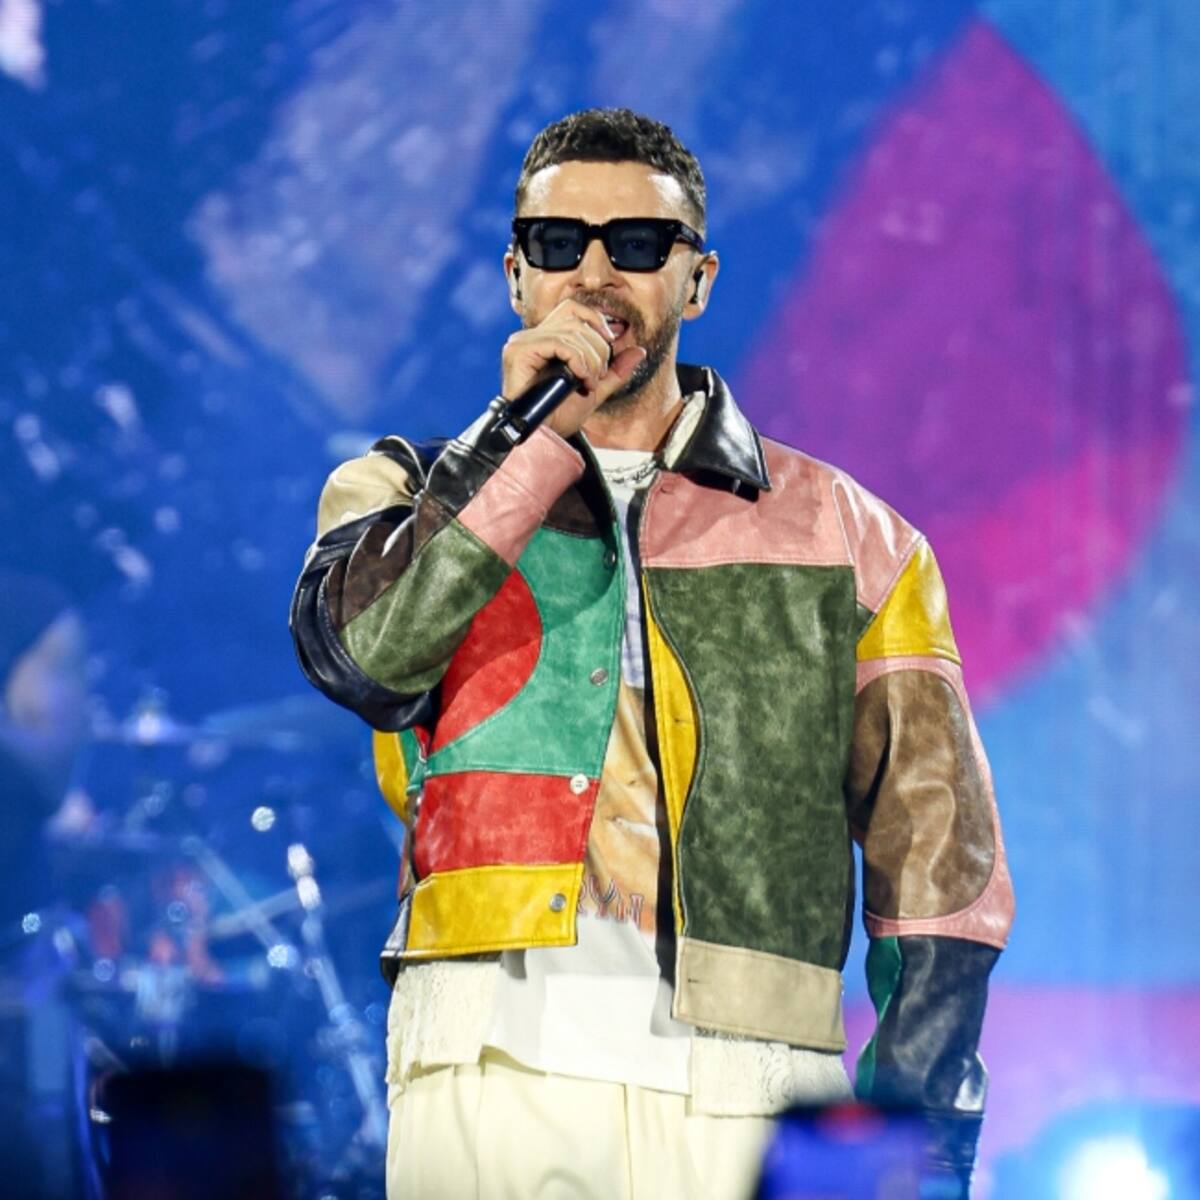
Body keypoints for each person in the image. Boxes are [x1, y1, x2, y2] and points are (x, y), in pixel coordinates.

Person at [290, 107, 1014, 1200]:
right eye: (557, 243)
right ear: (515, 278)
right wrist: (519, 443)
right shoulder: (402, 491)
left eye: (635, 243)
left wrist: (916, 1140)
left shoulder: (854, 538)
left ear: (697, 280)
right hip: (485, 1058)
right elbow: (366, 658)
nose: (594, 273)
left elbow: (941, 868)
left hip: (754, 1083)